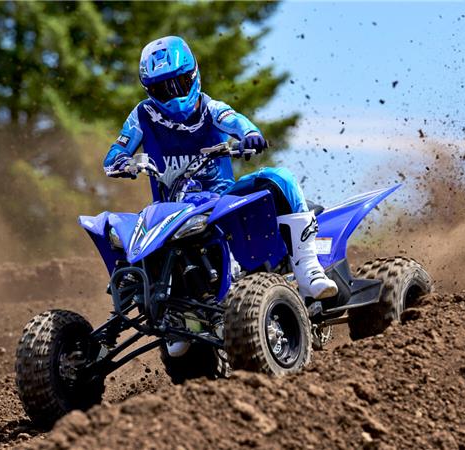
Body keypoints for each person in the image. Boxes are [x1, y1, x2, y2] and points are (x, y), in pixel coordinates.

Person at [103, 36, 337, 300]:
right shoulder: (142, 115)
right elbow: (116, 152)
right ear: (149, 90)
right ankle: (146, 292)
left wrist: (249, 134)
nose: (173, 96)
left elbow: (235, 120)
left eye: (180, 83)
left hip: (221, 201)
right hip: (170, 212)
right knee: (119, 232)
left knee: (280, 177)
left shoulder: (210, 108)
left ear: (193, 76)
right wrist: (123, 162)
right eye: (162, 89)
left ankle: (308, 270)